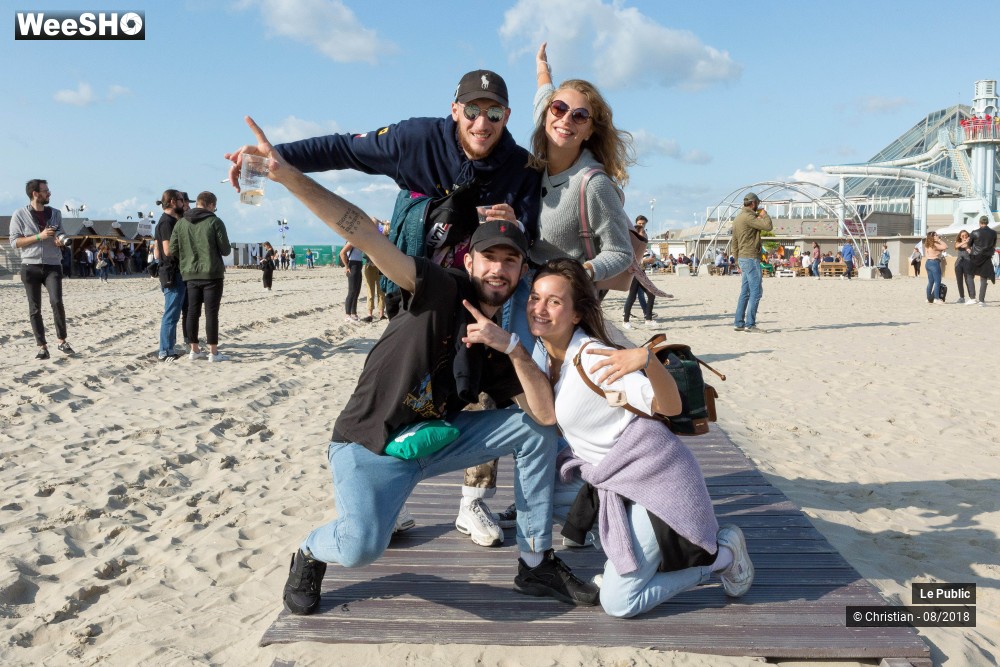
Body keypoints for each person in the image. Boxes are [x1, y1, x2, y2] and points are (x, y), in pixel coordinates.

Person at [230, 116, 598, 614]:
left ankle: (535, 564)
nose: (499, 268)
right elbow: (361, 231)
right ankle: (311, 550)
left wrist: (511, 347)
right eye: (489, 257)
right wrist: (288, 175)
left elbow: (546, 416)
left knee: (534, 432)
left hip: (436, 441)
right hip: (372, 447)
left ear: (520, 271)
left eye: (511, 261)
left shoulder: (501, 337)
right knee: (362, 548)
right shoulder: (436, 288)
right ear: (469, 261)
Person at [226, 71, 542, 547]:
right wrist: (281, 161)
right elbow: (345, 151)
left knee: (481, 391)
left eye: (493, 112)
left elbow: (529, 241)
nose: (482, 122)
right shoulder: (417, 140)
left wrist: (517, 221)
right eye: (472, 110)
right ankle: (382, 497)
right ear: (455, 110)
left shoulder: (520, 166)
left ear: (507, 116)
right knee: (402, 382)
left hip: (486, 295)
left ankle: (471, 503)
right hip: (423, 285)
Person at [526, 258, 754, 617]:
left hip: (654, 481)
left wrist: (647, 361)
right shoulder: (543, 355)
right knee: (540, 492)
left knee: (618, 603)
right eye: (535, 297)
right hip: (613, 481)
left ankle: (721, 559)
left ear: (575, 314)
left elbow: (671, 404)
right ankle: (632, 558)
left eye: (554, 301)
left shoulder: (594, 358)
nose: (539, 308)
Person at [9, 179, 76, 360]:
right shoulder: (19, 214)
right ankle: (42, 347)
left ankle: (62, 341)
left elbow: (61, 233)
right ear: (35, 193)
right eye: (46, 191)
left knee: (56, 302)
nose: (49, 193)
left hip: (53, 264)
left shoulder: (55, 213)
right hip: (30, 265)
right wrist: (39, 236)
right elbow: (14, 242)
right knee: (35, 308)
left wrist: (59, 241)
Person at [170, 191, 232, 361]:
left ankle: (194, 350)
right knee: (211, 313)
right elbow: (226, 250)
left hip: (189, 274)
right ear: (211, 205)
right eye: (215, 206)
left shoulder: (181, 223)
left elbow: (173, 249)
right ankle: (213, 352)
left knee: (192, 312)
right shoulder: (214, 221)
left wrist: (187, 257)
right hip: (212, 273)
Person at [154, 190, 191, 362]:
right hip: (172, 272)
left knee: (174, 312)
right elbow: (167, 250)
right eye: (180, 200)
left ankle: (169, 347)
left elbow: (157, 250)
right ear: (171, 202)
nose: (183, 203)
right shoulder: (166, 223)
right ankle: (165, 350)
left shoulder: (169, 221)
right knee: (171, 313)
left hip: (174, 271)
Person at [732, 193, 772, 332]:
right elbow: (768, 226)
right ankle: (750, 324)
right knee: (756, 291)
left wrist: (737, 260)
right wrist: (765, 214)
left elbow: (734, 242)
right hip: (751, 257)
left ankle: (738, 322)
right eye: (758, 203)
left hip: (743, 258)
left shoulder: (738, 218)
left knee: (745, 292)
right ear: (753, 203)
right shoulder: (749, 217)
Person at [362, 218, 388, 320]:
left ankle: (381, 313)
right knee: (370, 291)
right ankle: (370, 314)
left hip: (381, 266)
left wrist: (384, 223)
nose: (374, 225)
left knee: (381, 291)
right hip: (370, 266)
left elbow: (389, 228)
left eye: (376, 224)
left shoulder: (383, 235)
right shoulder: (366, 235)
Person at [969, 215, 998, 305]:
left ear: (980, 222)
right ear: (987, 222)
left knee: (969, 275)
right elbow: (993, 244)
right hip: (987, 257)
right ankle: (981, 300)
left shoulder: (975, 232)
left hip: (976, 257)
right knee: (983, 279)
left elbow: (970, 244)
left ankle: (972, 298)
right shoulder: (993, 233)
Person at [340, 242, 364, 322]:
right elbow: (342, 253)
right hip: (353, 265)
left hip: (358, 266)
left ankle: (354, 313)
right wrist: (346, 266)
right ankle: (347, 315)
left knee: (357, 291)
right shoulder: (352, 241)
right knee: (352, 291)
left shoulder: (359, 240)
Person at [922, 231, 947, 304]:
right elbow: (945, 246)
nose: (937, 236)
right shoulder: (935, 244)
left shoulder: (927, 245)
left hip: (928, 263)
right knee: (937, 281)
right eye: (935, 235)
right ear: (932, 237)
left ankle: (928, 298)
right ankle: (936, 298)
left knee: (930, 282)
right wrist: (939, 240)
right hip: (934, 262)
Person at [953, 230, 975, 303]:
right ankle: (961, 297)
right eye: (962, 236)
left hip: (968, 262)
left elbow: (969, 251)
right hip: (959, 263)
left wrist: (967, 244)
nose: (964, 237)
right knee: (959, 281)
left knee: (968, 279)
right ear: (960, 236)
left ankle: (972, 297)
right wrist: (965, 242)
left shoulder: (971, 243)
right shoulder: (958, 242)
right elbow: (956, 246)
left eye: (966, 235)